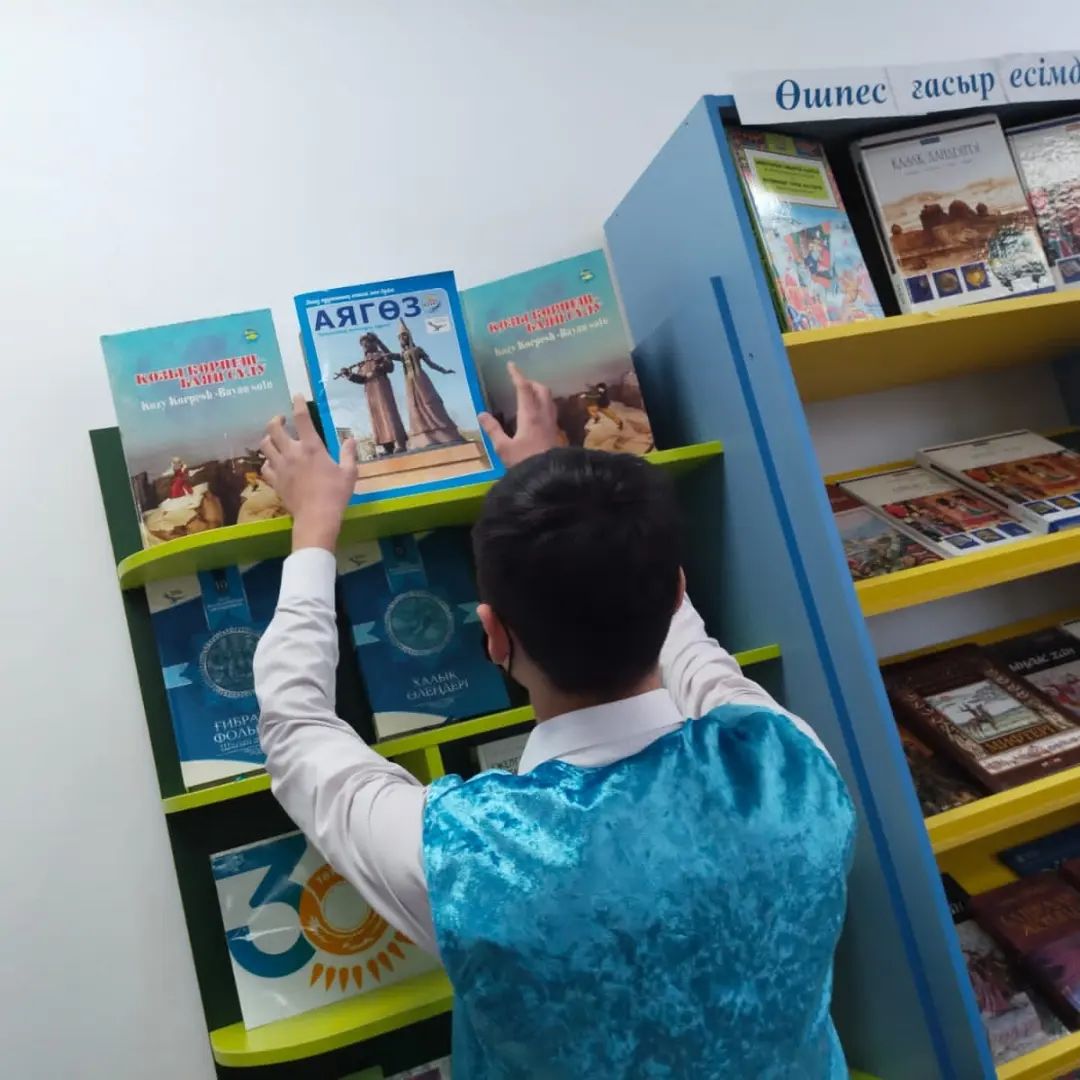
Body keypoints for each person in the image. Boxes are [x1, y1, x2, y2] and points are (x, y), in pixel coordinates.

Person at [254, 363, 855, 1078]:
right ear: (677, 592)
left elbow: (295, 726)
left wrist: (313, 527)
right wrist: (562, 492)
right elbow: (697, 655)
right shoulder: (789, 761)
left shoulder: (461, 856)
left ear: (493, 636)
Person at [396, 318, 464, 447]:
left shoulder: (417, 350)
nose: (402, 339)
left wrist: (444, 370)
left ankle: (443, 432)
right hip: (409, 383)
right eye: (400, 337)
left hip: (420, 379)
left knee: (430, 402)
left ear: (409, 336)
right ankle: (424, 435)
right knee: (415, 406)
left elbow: (431, 364)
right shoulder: (401, 354)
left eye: (404, 336)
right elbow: (388, 355)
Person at [338, 333, 408, 455]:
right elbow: (361, 378)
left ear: (373, 343)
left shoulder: (380, 354)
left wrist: (380, 366)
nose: (365, 346)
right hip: (370, 392)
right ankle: (387, 446)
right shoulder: (363, 362)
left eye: (367, 343)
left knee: (388, 413)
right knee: (376, 417)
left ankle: (399, 442)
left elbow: (390, 367)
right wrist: (348, 375)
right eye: (363, 344)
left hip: (381, 387)